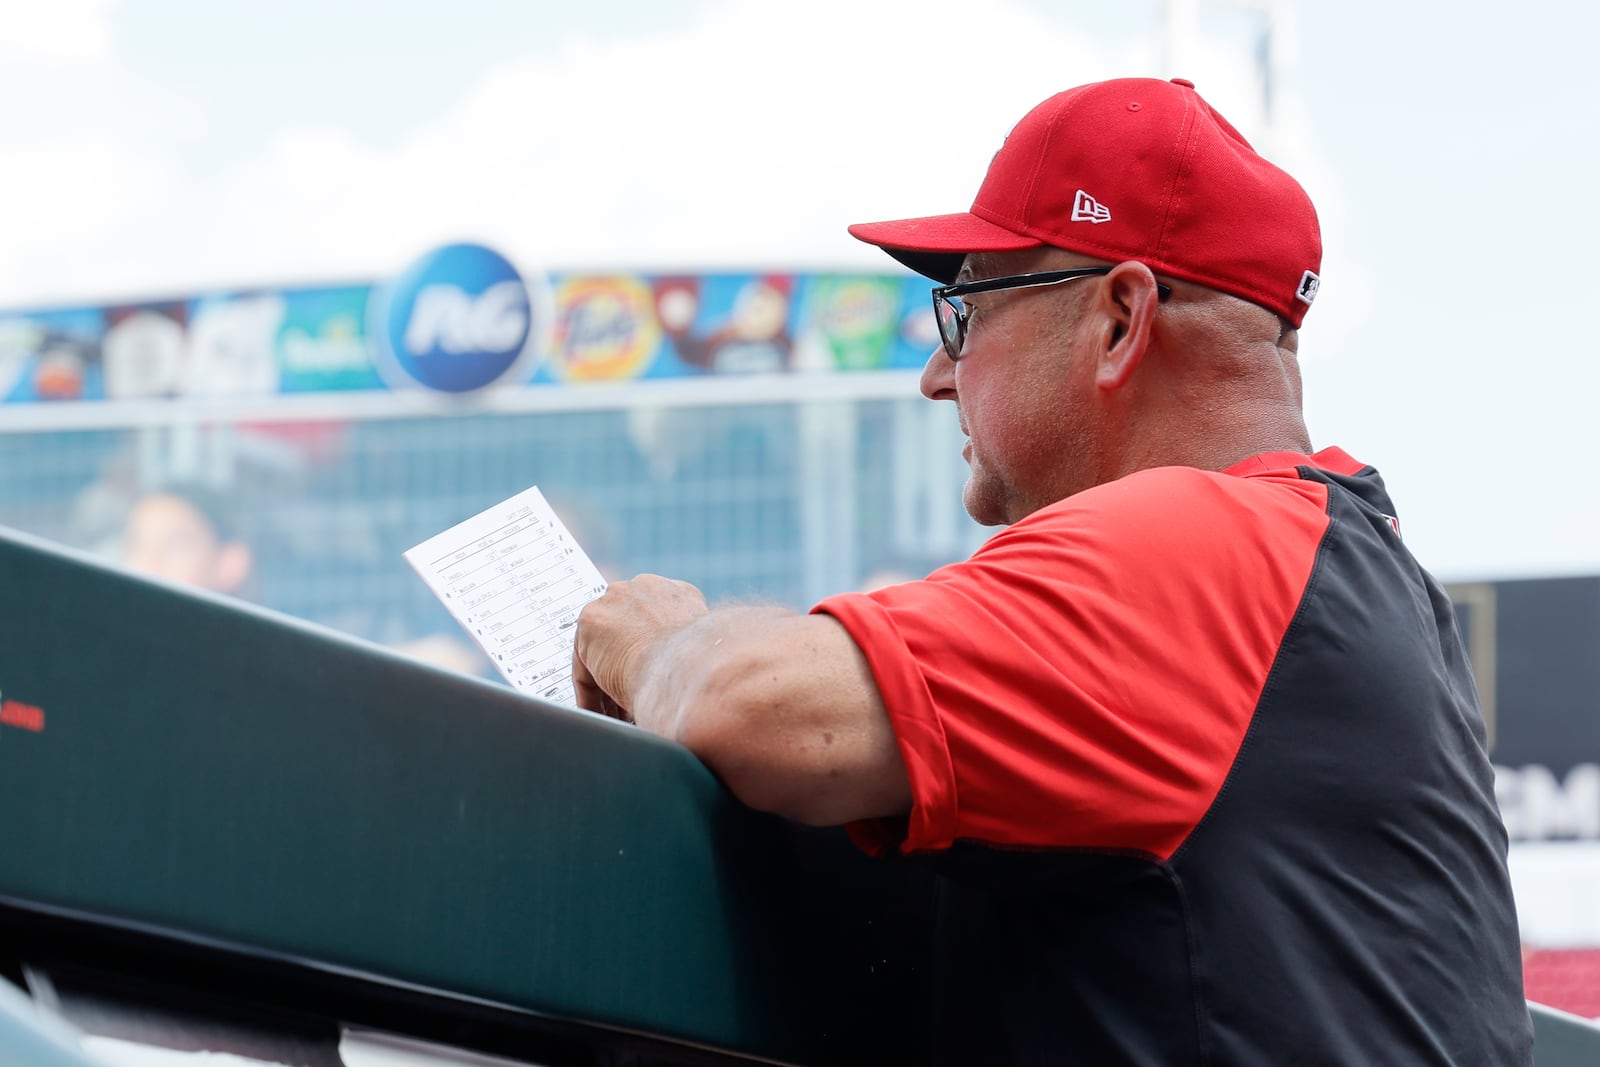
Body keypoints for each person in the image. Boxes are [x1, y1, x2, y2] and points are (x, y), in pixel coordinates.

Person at [572, 77, 1532, 1064]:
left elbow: (750, 705)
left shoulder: (1211, 543)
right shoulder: (1348, 564)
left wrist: (654, 638)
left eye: (965, 312)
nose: (936, 374)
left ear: (1119, 317)